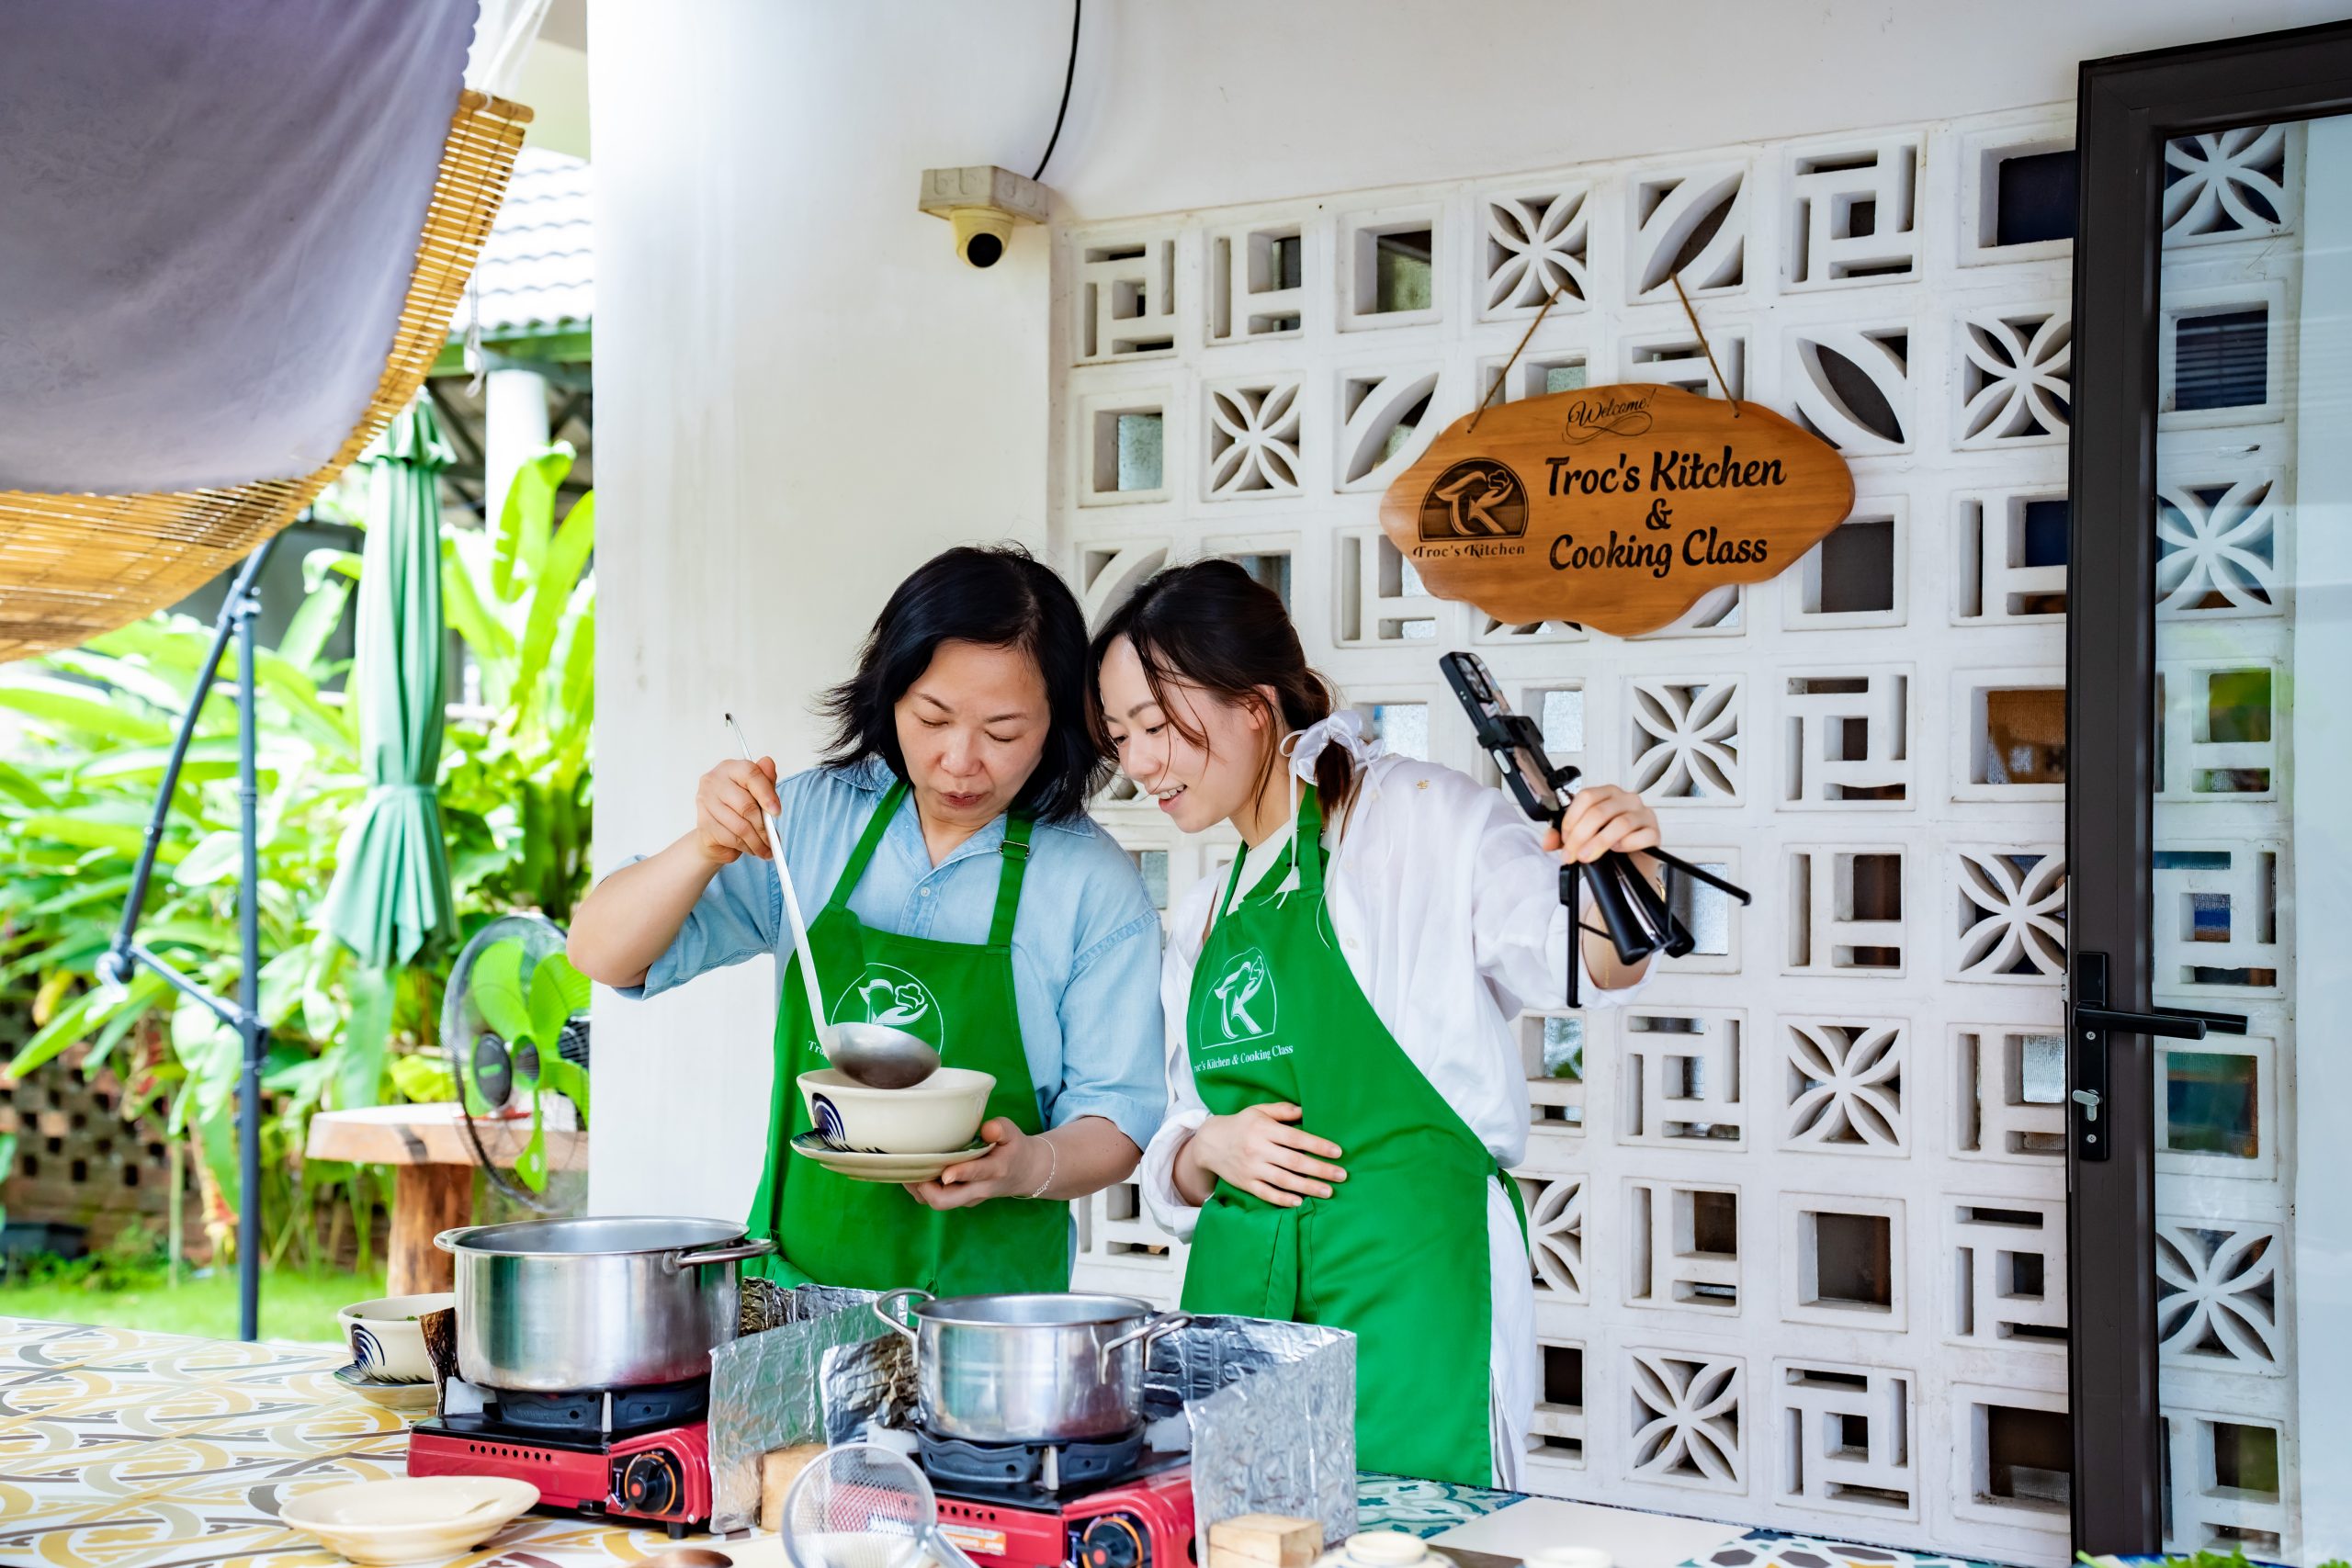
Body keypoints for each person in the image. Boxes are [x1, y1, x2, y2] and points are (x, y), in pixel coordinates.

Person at [1091, 559, 1662, 1489]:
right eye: (1121, 736)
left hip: (1411, 1282)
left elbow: (1584, 963)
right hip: (1242, 1301)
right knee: (1243, 1538)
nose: (1141, 763)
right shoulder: (1203, 915)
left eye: (1157, 726)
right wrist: (1207, 1150)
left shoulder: (1423, 820)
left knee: (1414, 1534)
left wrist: (1625, 870)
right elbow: (1180, 1132)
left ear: (1253, 704)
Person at [570, 545, 1164, 1294]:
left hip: (992, 1321)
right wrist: (704, 847)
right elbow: (601, 952)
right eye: (933, 718)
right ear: (890, 694)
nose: (959, 760)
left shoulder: (1092, 883)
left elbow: (1117, 1122)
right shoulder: (809, 820)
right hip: (794, 1303)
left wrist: (1023, 1166)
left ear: (1058, 724)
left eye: (1004, 733)